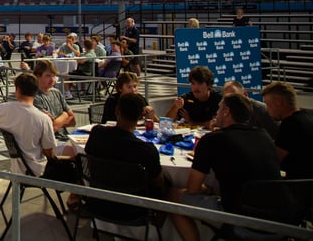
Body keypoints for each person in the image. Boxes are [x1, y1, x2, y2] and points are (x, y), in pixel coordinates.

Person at [169, 94, 281, 241]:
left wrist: (207, 189)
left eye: (219, 109)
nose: (216, 113)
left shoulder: (211, 140)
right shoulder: (264, 136)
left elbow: (193, 189)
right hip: (279, 219)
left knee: (173, 196)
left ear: (226, 111)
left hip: (238, 217)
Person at [86, 93, 165, 200]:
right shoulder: (147, 151)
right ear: (141, 116)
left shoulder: (97, 133)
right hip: (134, 208)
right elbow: (157, 181)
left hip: (99, 200)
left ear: (117, 111)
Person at [0, 73, 57, 177]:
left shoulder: (2, 109)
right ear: (35, 91)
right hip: (38, 171)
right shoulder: (43, 119)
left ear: (17, 89)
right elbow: (49, 153)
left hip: (16, 169)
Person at [261, 81, 313, 179]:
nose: (267, 110)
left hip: (301, 186)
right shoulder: (307, 117)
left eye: (268, 104)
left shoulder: (290, 124)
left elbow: (274, 159)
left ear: (278, 102)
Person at [32, 60, 76, 141]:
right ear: (38, 76)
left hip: (65, 137)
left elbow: (73, 121)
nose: (52, 80)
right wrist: (65, 115)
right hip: (49, 141)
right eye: (48, 76)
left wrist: (57, 122)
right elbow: (50, 128)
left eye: (54, 76)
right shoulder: (34, 97)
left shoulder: (56, 92)